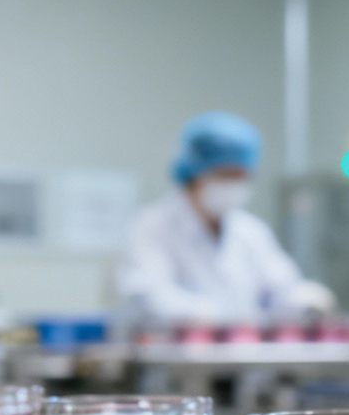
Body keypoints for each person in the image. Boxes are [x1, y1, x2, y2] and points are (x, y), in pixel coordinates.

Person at [118, 111, 336, 325]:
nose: (233, 185)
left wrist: (306, 299)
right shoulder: (152, 226)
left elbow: (280, 289)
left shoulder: (250, 231)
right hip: (177, 358)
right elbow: (148, 296)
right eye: (225, 174)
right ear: (195, 173)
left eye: (241, 175)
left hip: (246, 356)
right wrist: (224, 318)